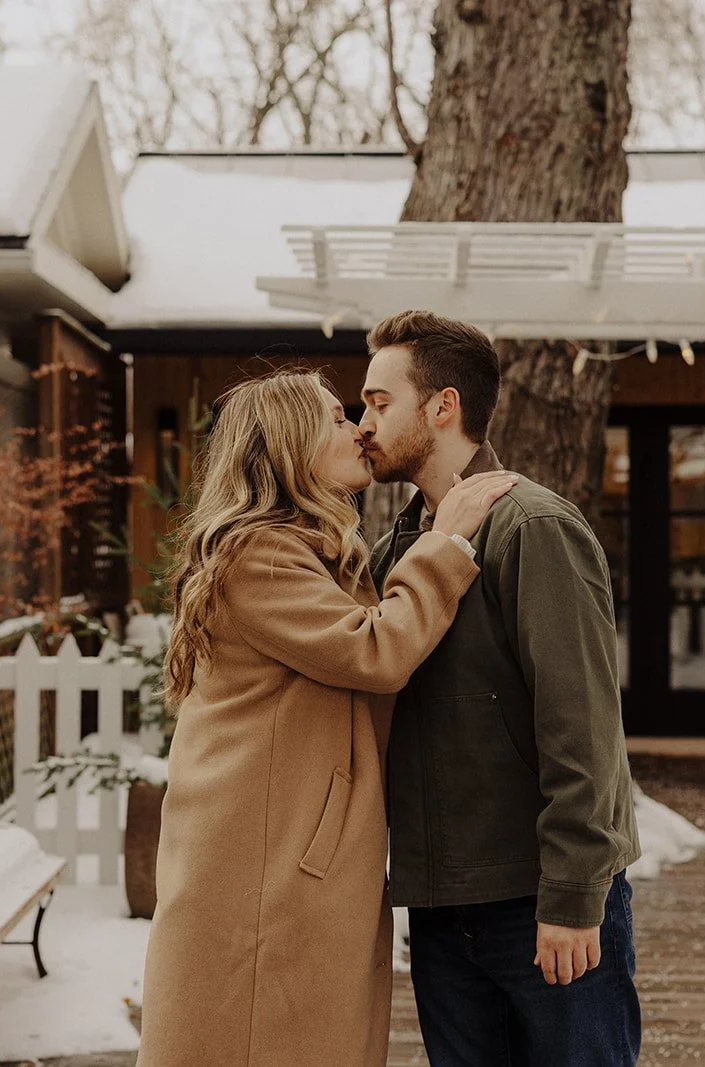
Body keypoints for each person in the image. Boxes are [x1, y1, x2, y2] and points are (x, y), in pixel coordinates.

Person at [136, 368, 518, 1066]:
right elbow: (374, 650)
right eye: (337, 417)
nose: (359, 427)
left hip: (286, 862)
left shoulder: (303, 547)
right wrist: (449, 545)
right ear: (290, 443)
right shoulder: (258, 554)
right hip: (263, 882)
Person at [360, 310, 644, 1067]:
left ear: (442, 406)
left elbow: (581, 726)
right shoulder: (398, 546)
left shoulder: (532, 526)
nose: (364, 424)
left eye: (379, 403)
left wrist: (575, 897)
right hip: (445, 910)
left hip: (541, 905)